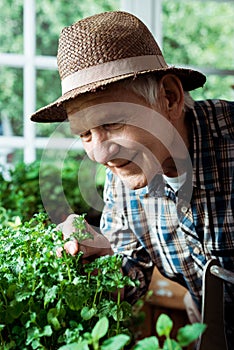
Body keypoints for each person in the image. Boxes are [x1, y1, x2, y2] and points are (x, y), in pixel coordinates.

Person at [30, 11, 234, 349]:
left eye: (111, 123)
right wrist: (96, 255)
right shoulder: (123, 179)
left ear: (169, 97)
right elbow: (128, 281)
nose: (99, 154)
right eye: (84, 134)